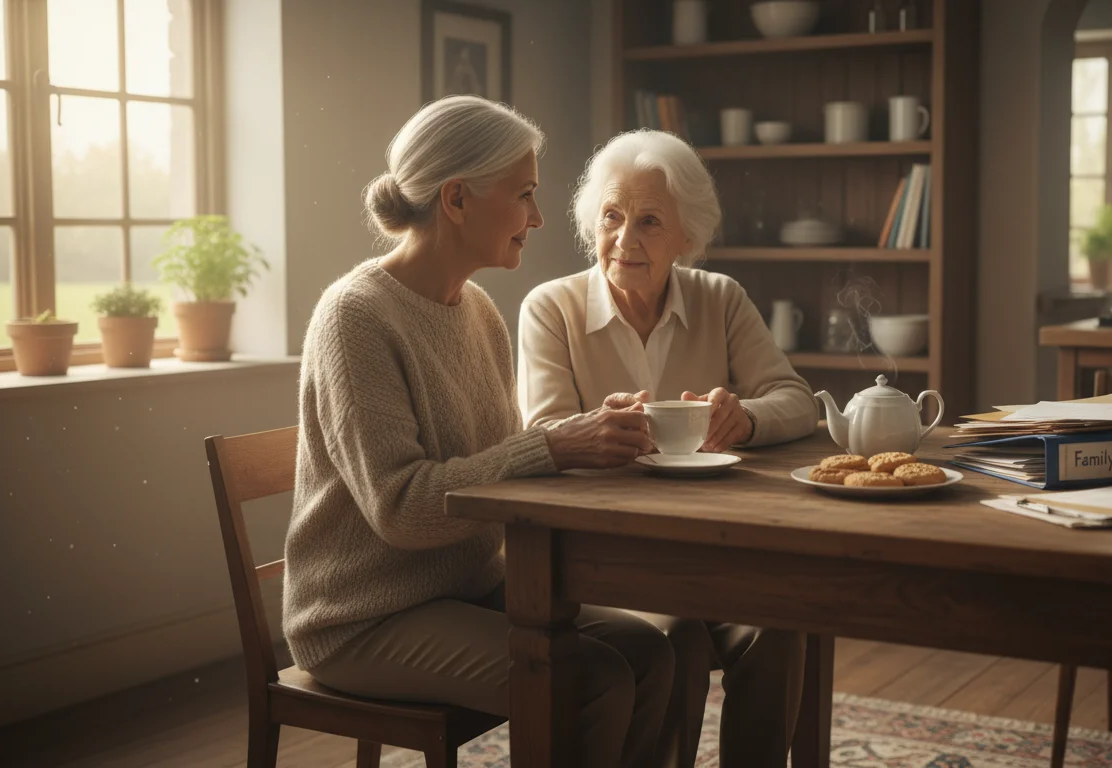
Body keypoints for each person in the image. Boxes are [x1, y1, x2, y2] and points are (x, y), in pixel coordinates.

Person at [283, 96, 674, 768]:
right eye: (524, 194)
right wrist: (552, 445)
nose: (539, 217)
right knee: (593, 681)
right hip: (361, 618)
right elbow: (400, 510)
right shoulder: (355, 318)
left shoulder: (480, 311)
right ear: (457, 199)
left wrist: (588, 438)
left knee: (653, 653)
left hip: (466, 588)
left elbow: (499, 462)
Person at [517, 129, 819, 768]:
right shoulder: (552, 309)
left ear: (689, 237)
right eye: (611, 216)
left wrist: (745, 418)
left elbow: (794, 399)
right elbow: (543, 435)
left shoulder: (721, 298)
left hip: (713, 548)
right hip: (603, 559)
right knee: (676, 635)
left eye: (649, 221)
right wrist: (596, 436)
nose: (625, 239)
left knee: (778, 625)